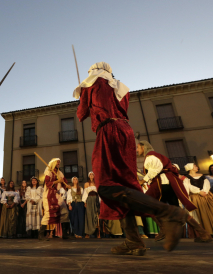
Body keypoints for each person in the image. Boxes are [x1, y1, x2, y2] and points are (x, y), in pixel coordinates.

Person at [75, 62, 190, 255]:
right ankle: (133, 240)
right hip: (126, 132)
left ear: (93, 72)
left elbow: (81, 113)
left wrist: (82, 95)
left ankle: (170, 213)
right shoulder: (121, 87)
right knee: (124, 187)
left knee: (106, 185)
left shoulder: (92, 83)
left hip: (108, 130)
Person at [137, 141, 212, 243]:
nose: (136, 150)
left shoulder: (151, 156)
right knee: (177, 210)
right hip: (168, 183)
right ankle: (203, 233)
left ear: (143, 147)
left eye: (138, 147)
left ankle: (163, 228)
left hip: (161, 184)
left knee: (146, 204)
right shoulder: (157, 156)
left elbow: (155, 169)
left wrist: (143, 180)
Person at [183, 163, 213, 237]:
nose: (197, 167)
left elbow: (207, 183)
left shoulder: (202, 176)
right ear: (190, 168)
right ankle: (205, 232)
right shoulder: (186, 178)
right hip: (195, 197)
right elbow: (188, 187)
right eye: (195, 166)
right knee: (200, 215)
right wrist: (198, 191)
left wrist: (205, 191)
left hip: (206, 196)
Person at [39, 158, 71, 241]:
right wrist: (57, 181)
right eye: (57, 162)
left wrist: (66, 186)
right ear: (53, 163)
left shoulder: (60, 173)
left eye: (59, 162)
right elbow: (47, 183)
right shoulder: (48, 172)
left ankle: (64, 234)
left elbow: (64, 182)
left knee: (65, 212)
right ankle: (41, 234)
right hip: (49, 195)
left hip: (57, 196)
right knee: (48, 214)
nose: (59, 163)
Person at [82, 171, 101, 239]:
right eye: (90, 174)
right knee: (89, 215)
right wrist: (85, 202)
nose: (91, 175)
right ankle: (88, 233)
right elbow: (85, 193)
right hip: (89, 200)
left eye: (92, 174)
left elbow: (99, 193)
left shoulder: (97, 183)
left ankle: (98, 233)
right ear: (88, 176)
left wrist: (99, 201)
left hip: (95, 199)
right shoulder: (86, 184)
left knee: (96, 215)